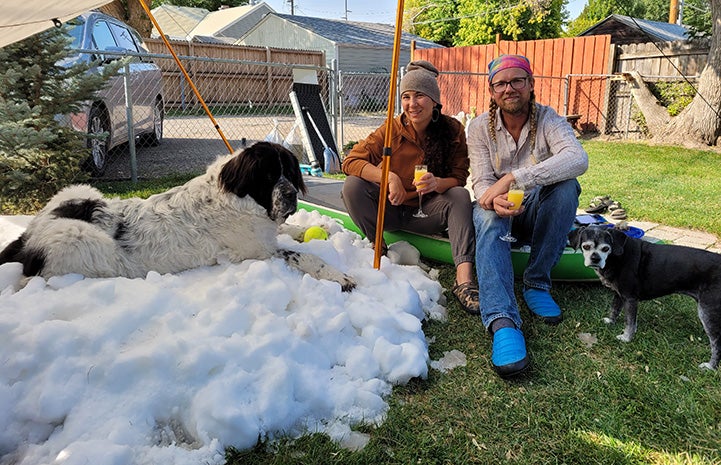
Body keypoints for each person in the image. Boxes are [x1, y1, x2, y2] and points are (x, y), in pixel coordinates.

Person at [467, 54, 589, 378]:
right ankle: (503, 321)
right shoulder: (479, 127)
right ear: (492, 91)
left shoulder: (549, 119)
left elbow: (577, 158)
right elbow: (480, 180)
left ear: (531, 84)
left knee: (567, 187)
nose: (509, 88)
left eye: (517, 80)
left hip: (536, 211)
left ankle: (536, 283)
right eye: (501, 83)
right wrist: (492, 199)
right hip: (498, 208)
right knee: (486, 216)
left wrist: (515, 178)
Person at [342, 60, 479, 314]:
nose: (412, 104)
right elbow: (351, 161)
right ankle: (377, 243)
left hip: (427, 211)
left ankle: (464, 280)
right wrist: (388, 176)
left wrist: (438, 183)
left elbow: (459, 177)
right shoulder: (391, 128)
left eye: (420, 96)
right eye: (406, 96)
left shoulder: (452, 130)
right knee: (352, 186)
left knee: (459, 195)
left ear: (435, 101)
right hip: (390, 210)